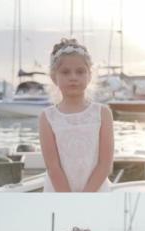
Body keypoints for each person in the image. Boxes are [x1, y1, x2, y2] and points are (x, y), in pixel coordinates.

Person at [39, 38, 114, 192]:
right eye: (65, 72)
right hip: (59, 194)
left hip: (96, 193)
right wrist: (70, 201)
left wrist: (84, 198)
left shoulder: (102, 114)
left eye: (80, 71)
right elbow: (53, 167)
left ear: (89, 76)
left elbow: (105, 164)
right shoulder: (47, 117)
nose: (73, 77)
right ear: (54, 77)